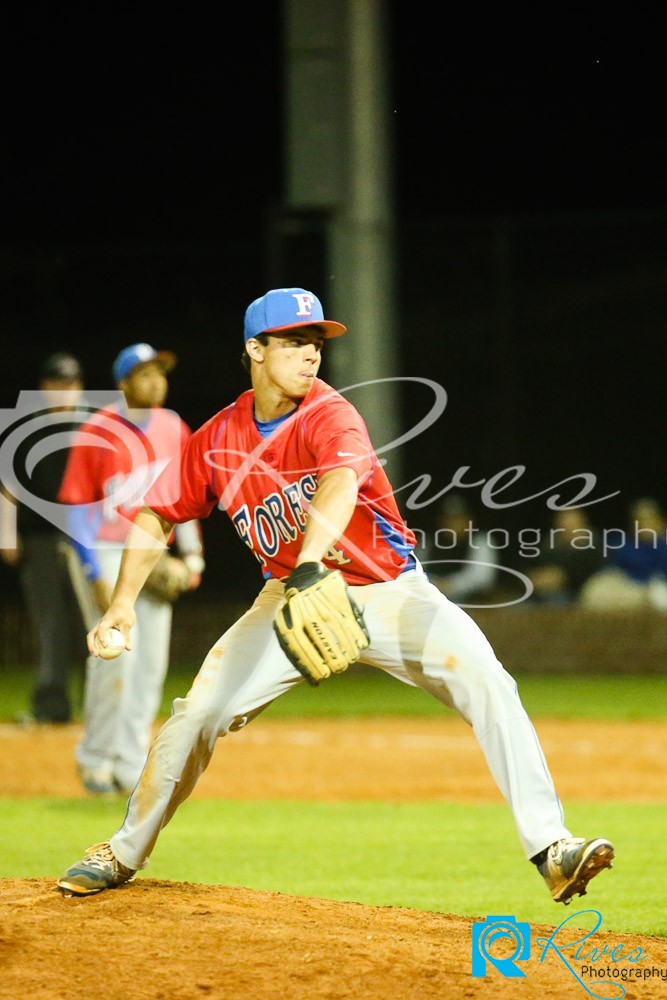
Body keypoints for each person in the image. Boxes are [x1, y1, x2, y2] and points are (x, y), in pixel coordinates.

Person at [57, 288, 614, 905]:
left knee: (487, 679)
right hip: (287, 598)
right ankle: (123, 850)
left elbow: (339, 485)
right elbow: (156, 515)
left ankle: (551, 849)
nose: (310, 355)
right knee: (198, 714)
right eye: (294, 341)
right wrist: (121, 603)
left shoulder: (330, 413)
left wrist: (309, 562)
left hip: (390, 591)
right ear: (255, 349)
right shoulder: (218, 438)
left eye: (316, 343)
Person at [57, 342, 205, 795]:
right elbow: (77, 510)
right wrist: (94, 573)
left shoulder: (175, 427)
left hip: (155, 554)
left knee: (149, 666)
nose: (156, 380)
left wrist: (193, 553)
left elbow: (189, 497)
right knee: (113, 661)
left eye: (160, 372)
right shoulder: (97, 430)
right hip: (105, 550)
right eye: (144, 374)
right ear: (123, 385)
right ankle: (96, 760)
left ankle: (129, 763)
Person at [0, 352, 87, 723]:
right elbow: (7, 488)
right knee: (49, 628)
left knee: (94, 629)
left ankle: (100, 711)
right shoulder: (27, 428)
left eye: (68, 383)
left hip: (88, 545)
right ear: (43, 387)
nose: (61, 390)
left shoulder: (95, 427)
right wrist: (6, 534)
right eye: (55, 383)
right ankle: (50, 709)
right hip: (40, 542)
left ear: (80, 387)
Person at [580, 497, 667, 611]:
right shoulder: (623, 542)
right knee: (597, 587)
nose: (644, 525)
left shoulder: (663, 545)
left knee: (659, 595)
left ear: (660, 521)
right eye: (640, 520)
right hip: (628, 587)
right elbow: (614, 566)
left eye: (650, 519)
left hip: (656, 587)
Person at [422, 493, 499, 605]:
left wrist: (451, 585)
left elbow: (482, 577)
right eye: (448, 518)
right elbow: (416, 572)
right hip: (434, 605)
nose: (452, 523)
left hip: (473, 605)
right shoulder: (428, 542)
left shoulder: (480, 540)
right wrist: (434, 584)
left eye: (458, 518)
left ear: (468, 519)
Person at [526, 507, 606, 605]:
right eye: (563, 523)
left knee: (555, 601)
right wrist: (537, 577)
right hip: (543, 591)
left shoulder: (595, 547)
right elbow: (537, 566)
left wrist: (563, 577)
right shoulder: (550, 545)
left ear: (582, 523)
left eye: (572, 523)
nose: (567, 527)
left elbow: (594, 575)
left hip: (580, 593)